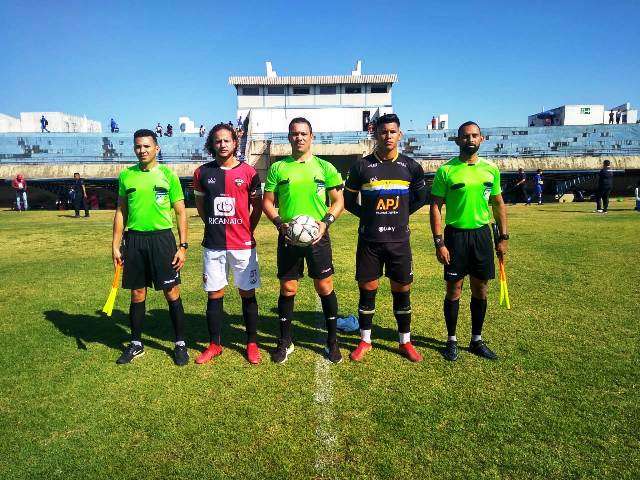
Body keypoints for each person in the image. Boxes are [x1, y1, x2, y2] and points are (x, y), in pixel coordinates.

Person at [344, 113, 427, 362]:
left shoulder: (411, 167)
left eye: (392, 131)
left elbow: (421, 198)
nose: (388, 136)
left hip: (399, 242)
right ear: (375, 134)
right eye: (383, 132)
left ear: (399, 134)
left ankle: (405, 342)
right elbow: (348, 201)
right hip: (370, 242)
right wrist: (369, 217)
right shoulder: (362, 166)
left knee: (402, 290)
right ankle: (365, 340)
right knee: (367, 290)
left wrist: (401, 215)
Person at [262, 117, 345, 364]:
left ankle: (332, 340)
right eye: (294, 133)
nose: (299, 137)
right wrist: (280, 224)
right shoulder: (278, 168)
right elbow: (267, 202)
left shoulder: (325, 167)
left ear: (311, 136)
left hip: (318, 236)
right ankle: (285, 341)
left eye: (303, 133)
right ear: (289, 137)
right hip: (288, 237)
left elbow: (339, 201)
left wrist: (325, 222)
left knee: (325, 287)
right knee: (288, 288)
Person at [429, 121, 509, 362]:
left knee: (481, 288)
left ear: (481, 139)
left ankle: (476, 340)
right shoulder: (446, 171)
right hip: (456, 236)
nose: (470, 140)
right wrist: (439, 242)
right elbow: (435, 207)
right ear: (457, 140)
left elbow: (498, 203)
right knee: (454, 289)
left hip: (482, 235)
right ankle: (451, 340)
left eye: (474, 135)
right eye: (465, 136)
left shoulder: (491, 170)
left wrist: (503, 237)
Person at [112, 129, 189, 365]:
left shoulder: (168, 175)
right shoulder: (126, 176)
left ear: (157, 148)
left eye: (146, 146)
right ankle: (136, 344)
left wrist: (183, 245)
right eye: (138, 146)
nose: (142, 150)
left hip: (162, 240)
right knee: (137, 293)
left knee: (171, 292)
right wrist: (115, 244)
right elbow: (121, 211)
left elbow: (181, 212)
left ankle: (180, 344)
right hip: (134, 240)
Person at [192, 123, 263, 365]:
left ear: (235, 143)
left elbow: (258, 207)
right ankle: (215, 344)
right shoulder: (202, 173)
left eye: (227, 140)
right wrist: (213, 225)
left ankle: (251, 342)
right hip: (214, 244)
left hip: (243, 244)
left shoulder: (250, 172)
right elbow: (201, 207)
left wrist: (247, 229)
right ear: (211, 144)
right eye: (217, 141)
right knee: (214, 294)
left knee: (247, 292)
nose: (222, 145)